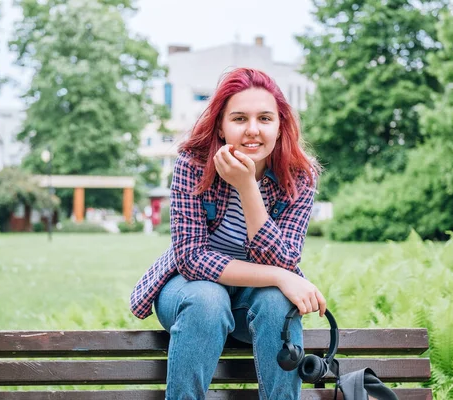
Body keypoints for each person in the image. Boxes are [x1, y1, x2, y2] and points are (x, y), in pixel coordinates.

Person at [130, 67, 326, 400]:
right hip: (190, 294)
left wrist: (248, 188)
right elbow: (192, 260)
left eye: (265, 118)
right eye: (239, 119)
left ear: (280, 127)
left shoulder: (299, 178)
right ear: (221, 126)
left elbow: (284, 259)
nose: (252, 130)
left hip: (254, 304)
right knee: (209, 298)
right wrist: (280, 276)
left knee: (278, 301)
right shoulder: (192, 165)